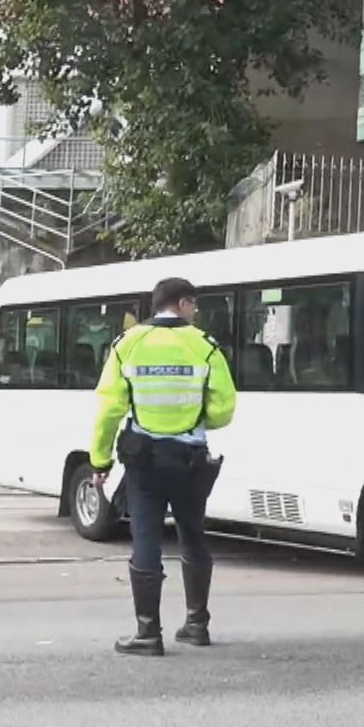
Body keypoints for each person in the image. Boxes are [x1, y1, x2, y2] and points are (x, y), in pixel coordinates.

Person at [89, 277, 237, 657]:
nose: (196, 313)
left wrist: (100, 460)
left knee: (146, 540)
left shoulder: (129, 345)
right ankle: (196, 624)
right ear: (183, 303)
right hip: (190, 460)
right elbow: (223, 409)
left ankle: (147, 633)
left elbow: (108, 409)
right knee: (193, 536)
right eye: (195, 306)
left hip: (145, 463)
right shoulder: (205, 347)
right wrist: (194, 420)